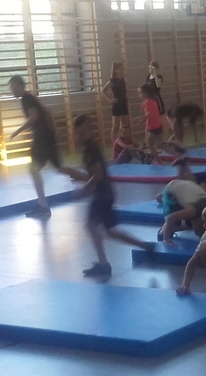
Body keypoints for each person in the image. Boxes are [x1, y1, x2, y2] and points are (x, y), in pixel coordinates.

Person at [60, 115, 153, 278]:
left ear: (89, 131)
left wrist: (84, 189)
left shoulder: (91, 149)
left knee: (91, 226)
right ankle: (144, 245)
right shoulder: (89, 148)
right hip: (104, 194)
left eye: (81, 133)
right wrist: (76, 175)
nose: (78, 137)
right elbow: (93, 175)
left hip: (102, 195)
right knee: (109, 231)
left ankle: (104, 264)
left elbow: (98, 175)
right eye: (77, 133)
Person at [8, 75, 61, 219]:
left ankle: (43, 206)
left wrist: (17, 131)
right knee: (60, 168)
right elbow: (47, 111)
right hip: (46, 136)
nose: (12, 90)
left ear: (19, 86)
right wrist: (54, 129)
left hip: (42, 137)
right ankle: (92, 180)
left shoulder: (26, 98)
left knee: (34, 169)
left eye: (13, 87)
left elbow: (34, 116)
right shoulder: (30, 97)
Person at [157, 176, 206, 243]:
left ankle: (161, 196)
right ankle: (162, 232)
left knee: (192, 224)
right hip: (171, 189)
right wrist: (166, 239)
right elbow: (170, 218)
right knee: (173, 224)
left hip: (188, 186)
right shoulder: (191, 211)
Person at [102, 62, 130, 143]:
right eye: (120, 69)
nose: (122, 71)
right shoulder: (112, 81)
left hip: (124, 103)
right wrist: (111, 100)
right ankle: (115, 143)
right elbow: (103, 90)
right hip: (117, 104)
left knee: (125, 125)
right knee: (116, 126)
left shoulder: (122, 79)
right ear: (115, 70)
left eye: (122, 69)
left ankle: (124, 141)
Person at [139, 83, 163, 163]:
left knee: (150, 144)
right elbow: (153, 113)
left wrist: (142, 118)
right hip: (157, 125)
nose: (139, 95)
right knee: (159, 144)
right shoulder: (152, 101)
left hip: (153, 126)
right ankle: (176, 154)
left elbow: (150, 114)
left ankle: (159, 161)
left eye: (140, 93)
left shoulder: (148, 102)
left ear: (146, 93)